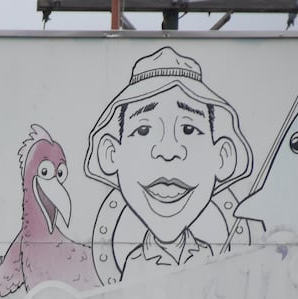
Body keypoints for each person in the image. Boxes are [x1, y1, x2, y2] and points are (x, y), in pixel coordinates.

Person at [84, 46, 253, 280]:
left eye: (188, 128)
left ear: (223, 157)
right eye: (143, 129)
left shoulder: (211, 259)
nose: (168, 150)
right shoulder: (133, 266)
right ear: (111, 153)